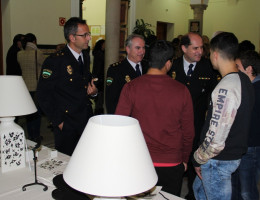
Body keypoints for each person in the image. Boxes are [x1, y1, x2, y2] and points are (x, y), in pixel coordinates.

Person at [115, 40, 194, 196]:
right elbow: (188, 132)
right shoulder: (181, 90)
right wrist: (184, 159)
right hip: (171, 161)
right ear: (168, 63)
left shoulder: (131, 87)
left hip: (139, 159)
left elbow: (119, 125)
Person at [192, 32, 254, 200]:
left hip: (218, 160)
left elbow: (216, 138)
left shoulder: (226, 87)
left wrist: (198, 158)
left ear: (216, 54)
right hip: (229, 156)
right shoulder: (243, 79)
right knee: (198, 190)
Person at [168, 32, 218, 200]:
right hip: (174, 127)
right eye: (195, 48)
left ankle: (192, 195)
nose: (200, 52)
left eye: (201, 48)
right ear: (184, 48)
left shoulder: (209, 67)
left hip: (197, 125)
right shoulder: (172, 67)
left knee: (194, 163)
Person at [37, 17, 98, 156]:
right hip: (67, 122)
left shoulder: (85, 56)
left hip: (85, 119)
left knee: (85, 159)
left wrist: (94, 92)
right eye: (84, 35)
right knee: (67, 163)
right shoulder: (56, 60)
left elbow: (86, 82)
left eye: (88, 34)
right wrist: (58, 122)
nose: (88, 38)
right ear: (72, 37)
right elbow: (43, 94)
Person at [231, 50, 260, 200]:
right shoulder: (246, 87)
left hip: (251, 146)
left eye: (237, 66)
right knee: (235, 187)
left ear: (249, 69)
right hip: (242, 145)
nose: (234, 70)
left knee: (247, 190)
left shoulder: (255, 90)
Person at [105, 34, 148, 114]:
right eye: (138, 48)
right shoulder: (116, 69)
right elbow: (111, 100)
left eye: (143, 48)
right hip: (127, 118)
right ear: (128, 49)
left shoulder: (149, 67)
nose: (142, 51)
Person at [17, 33, 46, 142]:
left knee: (28, 113)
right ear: (34, 41)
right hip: (36, 86)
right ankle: (36, 135)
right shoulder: (37, 53)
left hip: (25, 87)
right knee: (36, 113)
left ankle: (30, 135)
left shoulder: (20, 54)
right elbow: (45, 65)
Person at [92, 39, 105, 115]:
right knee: (99, 98)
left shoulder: (98, 53)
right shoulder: (99, 54)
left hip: (99, 77)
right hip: (99, 78)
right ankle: (98, 113)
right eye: (104, 44)